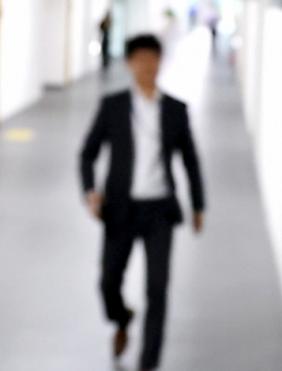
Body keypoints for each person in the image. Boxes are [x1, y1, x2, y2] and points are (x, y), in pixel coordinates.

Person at [79, 34, 205, 371]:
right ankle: (121, 317)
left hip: (159, 211)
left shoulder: (176, 110)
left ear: (161, 62)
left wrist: (198, 205)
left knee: (157, 290)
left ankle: (149, 363)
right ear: (129, 64)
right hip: (120, 209)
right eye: (141, 60)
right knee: (108, 282)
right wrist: (90, 191)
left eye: (153, 59)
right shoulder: (113, 106)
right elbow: (88, 153)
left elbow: (190, 160)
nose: (148, 66)